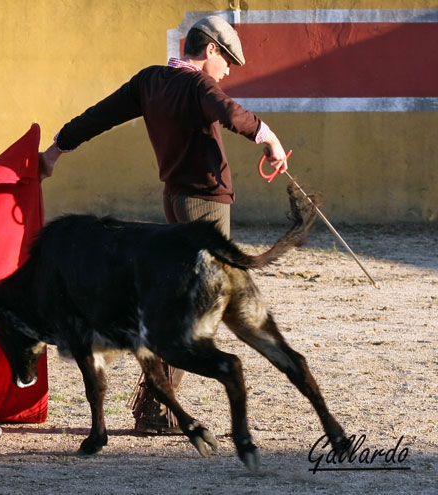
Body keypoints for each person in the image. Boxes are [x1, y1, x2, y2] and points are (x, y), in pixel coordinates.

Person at [39, 15, 289, 434]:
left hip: (174, 200)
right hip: (205, 206)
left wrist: (56, 149)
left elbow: (98, 116)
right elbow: (231, 113)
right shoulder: (198, 85)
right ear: (209, 49)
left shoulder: (149, 81)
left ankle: (154, 403)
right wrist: (270, 138)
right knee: (197, 309)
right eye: (226, 59)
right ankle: (157, 408)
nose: (227, 70)